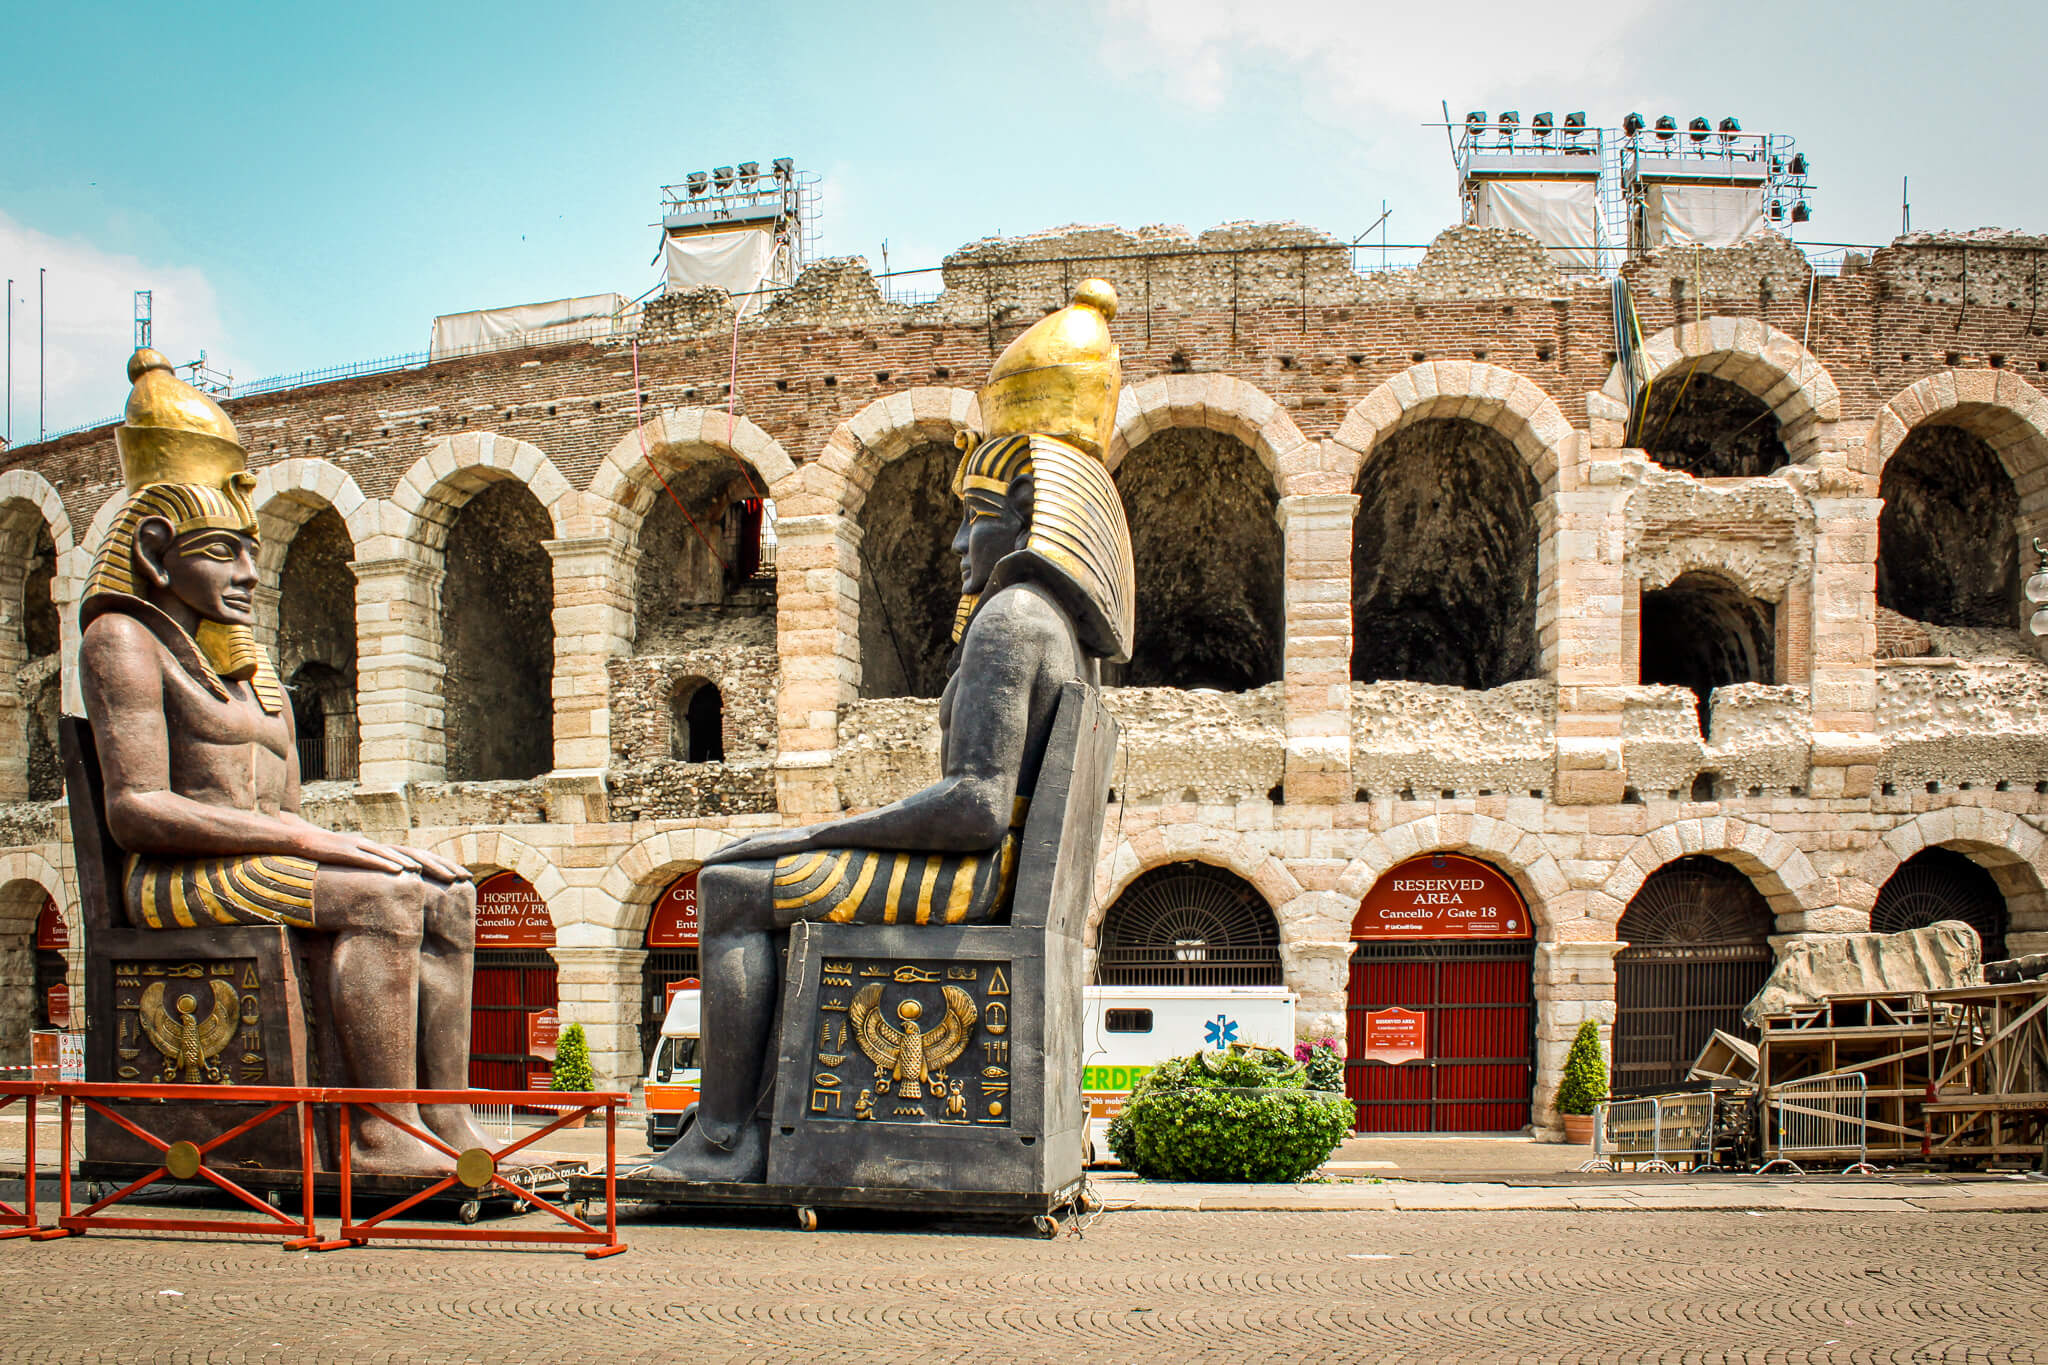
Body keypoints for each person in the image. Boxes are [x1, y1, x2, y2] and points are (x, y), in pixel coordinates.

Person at [650, 281, 1136, 1181]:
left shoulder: (1011, 618)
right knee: (743, 872)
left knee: (728, 888)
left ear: (1031, 519)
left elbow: (975, 808)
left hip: (972, 876)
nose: (957, 545)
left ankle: (726, 1137)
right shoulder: (1055, 625)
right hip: (980, 867)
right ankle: (739, 1126)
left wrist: (815, 830)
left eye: (973, 520)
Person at [78, 349, 491, 1174]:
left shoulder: (251, 667)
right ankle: (377, 1128)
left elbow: (287, 808)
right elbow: (136, 809)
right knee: (385, 901)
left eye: (250, 551)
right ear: (158, 551)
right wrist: (310, 843)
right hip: (171, 874)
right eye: (224, 551)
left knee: (449, 895)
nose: (249, 572)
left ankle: (444, 1119)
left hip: (254, 858)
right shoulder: (122, 639)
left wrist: (314, 836)